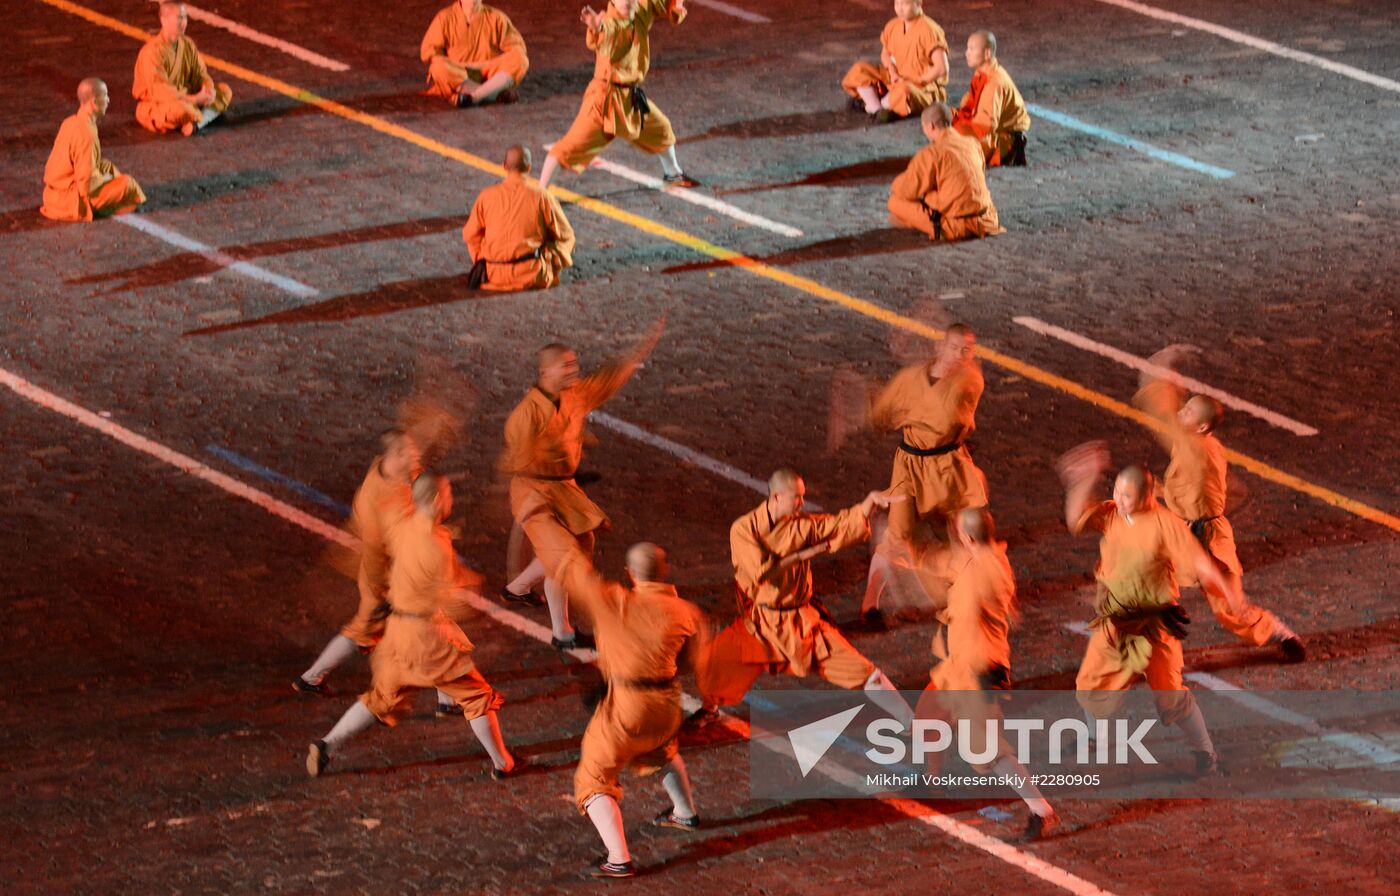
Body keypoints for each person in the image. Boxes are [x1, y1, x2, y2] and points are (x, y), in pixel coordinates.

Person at [521, 504, 708, 879]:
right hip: (667, 702)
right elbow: (695, 664)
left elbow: (574, 571)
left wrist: (551, 525)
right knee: (662, 749)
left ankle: (618, 858)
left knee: (593, 778)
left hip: (627, 705)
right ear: (664, 571)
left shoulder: (614, 602)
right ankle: (684, 814)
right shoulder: (686, 612)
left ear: (630, 574)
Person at [307, 473, 523, 778]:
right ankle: (504, 764)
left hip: (396, 632)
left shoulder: (403, 527)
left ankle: (326, 745)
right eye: (448, 494)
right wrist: (471, 586)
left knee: (381, 697)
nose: (451, 499)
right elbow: (450, 601)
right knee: (476, 696)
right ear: (436, 500)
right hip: (426, 638)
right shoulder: (437, 546)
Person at [1058, 450, 1238, 776]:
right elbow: (1076, 520)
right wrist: (1082, 480)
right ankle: (1097, 738)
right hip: (1117, 623)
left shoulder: (1165, 524)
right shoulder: (1112, 513)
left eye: (1127, 495)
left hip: (1155, 625)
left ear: (1145, 495)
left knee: (1171, 699)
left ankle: (1206, 753)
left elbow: (1199, 562)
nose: (1119, 499)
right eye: (1117, 492)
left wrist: (1228, 591)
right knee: (1089, 687)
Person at [691, 469, 906, 725]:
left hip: (800, 624)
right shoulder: (744, 529)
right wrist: (802, 555)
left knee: (864, 672)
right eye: (797, 497)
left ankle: (911, 721)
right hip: (761, 624)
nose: (802, 503)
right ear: (776, 497)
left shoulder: (801, 526)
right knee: (715, 661)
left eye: (802, 497)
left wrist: (867, 504)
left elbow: (837, 525)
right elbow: (762, 572)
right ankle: (710, 708)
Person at [1132, 346, 1305, 661]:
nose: (1179, 414)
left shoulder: (1196, 448)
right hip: (1184, 531)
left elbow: (1160, 410)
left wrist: (1163, 370)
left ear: (1200, 427)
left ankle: (1279, 632)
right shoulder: (1199, 444)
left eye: (1187, 413)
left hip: (1208, 539)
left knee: (1230, 609)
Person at [499, 322, 664, 649]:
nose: (575, 370)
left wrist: (636, 353)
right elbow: (514, 462)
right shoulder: (525, 415)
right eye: (567, 365)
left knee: (581, 543)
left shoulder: (576, 395)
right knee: (567, 559)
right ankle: (582, 628)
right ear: (545, 372)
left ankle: (518, 589)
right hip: (535, 494)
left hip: (564, 488)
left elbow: (607, 379)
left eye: (575, 364)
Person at [915, 508, 1058, 840]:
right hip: (960, 665)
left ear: (967, 538)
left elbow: (958, 603)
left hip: (977, 670)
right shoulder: (992, 557)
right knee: (928, 714)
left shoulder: (977, 575)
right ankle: (933, 781)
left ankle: (1041, 810)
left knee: (986, 750)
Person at [860, 323, 987, 627]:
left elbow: (944, 423)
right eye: (954, 347)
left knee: (960, 533)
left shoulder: (970, 381)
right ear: (939, 347)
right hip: (909, 466)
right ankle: (869, 604)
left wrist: (902, 413)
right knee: (898, 534)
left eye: (967, 350)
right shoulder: (910, 379)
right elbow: (881, 415)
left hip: (947, 468)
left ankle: (970, 595)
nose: (960, 355)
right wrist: (883, 408)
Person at [536, 0, 697, 191]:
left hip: (631, 98)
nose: (626, 3)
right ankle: (540, 192)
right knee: (571, 146)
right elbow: (607, 32)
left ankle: (673, 172)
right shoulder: (609, 22)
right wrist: (597, 27)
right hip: (604, 99)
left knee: (661, 128)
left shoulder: (641, 10)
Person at [463, 146, 575, 291]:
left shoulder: (486, 196)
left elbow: (470, 235)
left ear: (504, 166)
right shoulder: (541, 196)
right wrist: (550, 258)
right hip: (532, 274)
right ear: (529, 168)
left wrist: (484, 257)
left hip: (493, 274)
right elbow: (566, 236)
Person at [888, 105, 1004, 242]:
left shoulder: (932, 152)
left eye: (923, 127)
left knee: (895, 203)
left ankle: (927, 225)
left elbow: (906, 189)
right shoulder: (972, 143)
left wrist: (927, 195)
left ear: (931, 126)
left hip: (955, 223)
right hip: (987, 220)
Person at [40, 78, 146, 221]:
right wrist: (105, 179)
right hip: (70, 201)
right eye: (105, 95)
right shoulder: (86, 134)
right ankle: (104, 206)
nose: (108, 100)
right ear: (94, 102)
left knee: (106, 165)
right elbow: (86, 185)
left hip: (50, 195)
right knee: (128, 184)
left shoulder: (70, 122)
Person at [132, 1, 232, 136]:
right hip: (160, 104)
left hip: (190, 97)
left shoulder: (187, 44)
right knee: (181, 110)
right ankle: (206, 116)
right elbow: (160, 91)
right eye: (179, 18)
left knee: (224, 91)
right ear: (164, 20)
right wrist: (196, 100)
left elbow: (201, 73)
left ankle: (196, 123)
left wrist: (207, 89)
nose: (184, 23)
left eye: (185, 17)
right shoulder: (152, 52)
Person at [841, 0, 949, 123]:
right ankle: (877, 109)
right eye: (897, 4)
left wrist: (915, 81)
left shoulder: (930, 30)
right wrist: (893, 73)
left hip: (920, 87)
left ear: (919, 3)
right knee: (859, 69)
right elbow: (885, 54)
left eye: (905, 4)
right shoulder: (893, 25)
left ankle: (875, 105)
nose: (900, 9)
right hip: (896, 79)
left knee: (904, 91)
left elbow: (941, 68)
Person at [420, 0, 528, 108]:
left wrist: (487, 65)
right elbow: (429, 52)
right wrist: (451, 65)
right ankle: (493, 93)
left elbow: (517, 46)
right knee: (437, 67)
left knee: (520, 58)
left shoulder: (496, 17)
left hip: (488, 71)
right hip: (458, 73)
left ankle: (473, 97)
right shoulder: (444, 17)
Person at [952, 30, 1029, 167]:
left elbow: (986, 126)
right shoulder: (983, 72)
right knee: (944, 120)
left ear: (987, 54)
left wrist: (959, 128)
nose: (966, 53)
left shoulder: (995, 82)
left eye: (971, 49)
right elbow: (970, 104)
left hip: (1004, 137)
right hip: (984, 125)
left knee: (957, 144)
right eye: (967, 48)